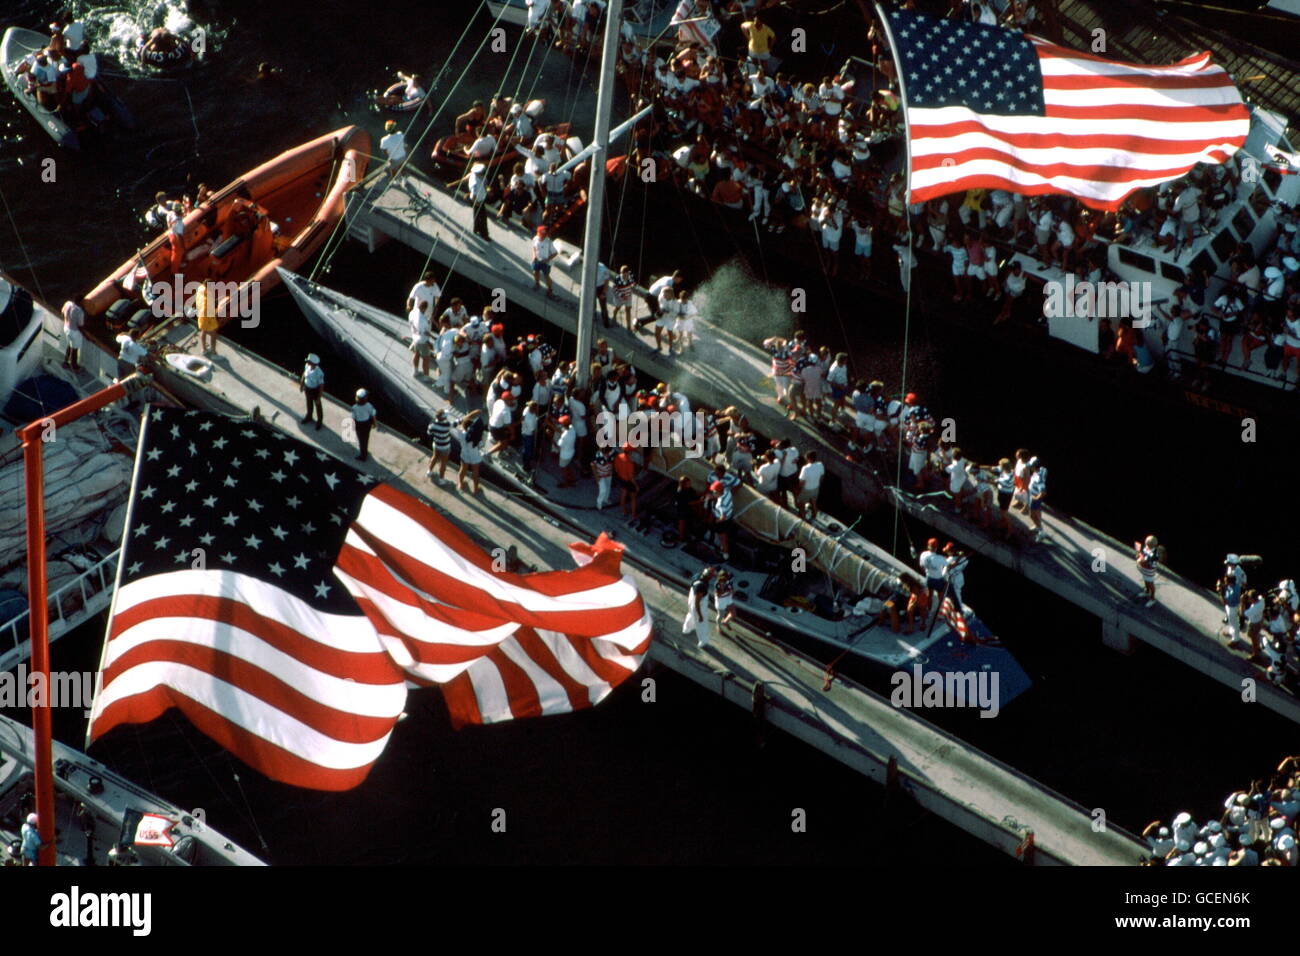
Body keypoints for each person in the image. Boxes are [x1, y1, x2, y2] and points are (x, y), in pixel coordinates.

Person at [684, 566, 717, 649]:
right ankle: (703, 641)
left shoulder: (697, 576)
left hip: (691, 598)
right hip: (698, 605)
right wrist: (700, 615)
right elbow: (697, 602)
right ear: (708, 577)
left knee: (691, 615)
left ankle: (686, 629)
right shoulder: (701, 586)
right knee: (702, 624)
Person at [456, 410, 486, 493]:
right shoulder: (476, 438)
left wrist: (472, 413)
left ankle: (460, 484)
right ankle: (475, 489)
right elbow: (481, 445)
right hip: (475, 457)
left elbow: (462, 423)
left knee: (462, 469)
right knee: (475, 472)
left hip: (464, 454)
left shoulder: (461, 434)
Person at [795, 450, 824, 520]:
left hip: (807, 489)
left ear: (808, 458)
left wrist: (798, 491)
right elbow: (822, 476)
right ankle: (814, 516)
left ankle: (803, 518)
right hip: (816, 488)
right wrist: (818, 484)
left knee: (801, 503)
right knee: (814, 502)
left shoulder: (805, 468)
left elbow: (801, 482)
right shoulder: (820, 464)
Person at [467, 162, 491, 241]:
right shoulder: (474, 182)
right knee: (483, 217)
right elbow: (473, 196)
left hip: (481, 199)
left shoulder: (481, 177)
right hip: (477, 201)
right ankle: (484, 234)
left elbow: (485, 184)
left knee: (476, 215)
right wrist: (477, 203)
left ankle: (476, 228)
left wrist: (488, 190)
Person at [300, 354, 324, 429]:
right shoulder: (307, 366)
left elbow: (321, 386)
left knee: (318, 406)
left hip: (315, 390)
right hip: (307, 389)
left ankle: (319, 421)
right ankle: (309, 416)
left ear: (313, 363)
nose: (307, 362)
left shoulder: (319, 373)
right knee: (309, 402)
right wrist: (301, 384)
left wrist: (319, 397)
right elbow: (304, 374)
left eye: (309, 361)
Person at [531, 225, 558, 296]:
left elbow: (555, 253)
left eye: (544, 235)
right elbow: (534, 247)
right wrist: (534, 255)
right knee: (535, 272)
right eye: (541, 234)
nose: (542, 236)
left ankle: (550, 289)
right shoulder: (535, 238)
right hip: (537, 260)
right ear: (538, 233)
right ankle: (537, 283)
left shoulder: (549, 242)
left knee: (546, 276)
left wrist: (547, 259)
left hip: (546, 263)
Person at [427, 410, 452, 481]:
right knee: (443, 463)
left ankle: (429, 472)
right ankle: (441, 480)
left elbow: (429, 433)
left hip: (436, 444)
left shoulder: (432, 425)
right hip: (445, 447)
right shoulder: (447, 425)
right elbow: (456, 423)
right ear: (444, 418)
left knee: (434, 457)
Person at [1135, 534, 1161, 605]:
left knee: (1150, 584)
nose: (1147, 547)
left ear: (1154, 546)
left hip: (1149, 571)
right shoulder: (1146, 547)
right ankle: (1146, 591)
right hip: (1144, 570)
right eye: (1146, 545)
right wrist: (1139, 554)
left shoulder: (1154, 555)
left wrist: (1141, 560)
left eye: (1148, 546)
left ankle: (1152, 598)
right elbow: (1143, 553)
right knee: (1145, 580)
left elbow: (1151, 564)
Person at [195, 281, 219, 355]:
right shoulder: (207, 299)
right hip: (207, 319)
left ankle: (204, 349)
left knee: (203, 332)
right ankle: (213, 353)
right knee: (213, 335)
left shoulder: (200, 289)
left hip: (200, 317)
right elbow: (206, 310)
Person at [61, 297, 84, 370]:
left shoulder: (67, 303)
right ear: (80, 302)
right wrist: (86, 336)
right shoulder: (80, 312)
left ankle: (65, 362)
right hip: (74, 331)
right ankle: (74, 366)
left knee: (69, 345)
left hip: (66, 328)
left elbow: (62, 312)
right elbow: (80, 325)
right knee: (74, 349)